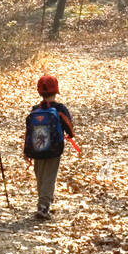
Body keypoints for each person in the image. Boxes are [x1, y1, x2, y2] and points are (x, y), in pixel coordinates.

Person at [24, 74, 75, 220]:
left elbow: (28, 131)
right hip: (54, 149)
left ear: (39, 91)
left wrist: (26, 150)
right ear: (56, 91)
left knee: (40, 175)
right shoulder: (60, 109)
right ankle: (44, 205)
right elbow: (69, 128)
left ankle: (43, 201)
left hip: (36, 149)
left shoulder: (35, 110)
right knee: (49, 177)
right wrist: (70, 135)